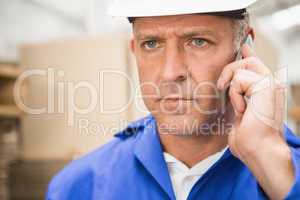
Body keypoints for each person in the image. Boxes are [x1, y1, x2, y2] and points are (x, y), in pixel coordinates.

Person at [46, 0, 300, 199]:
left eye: (198, 41)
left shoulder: (286, 172)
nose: (170, 72)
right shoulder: (79, 187)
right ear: (135, 50)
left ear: (244, 49)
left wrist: (269, 159)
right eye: (152, 44)